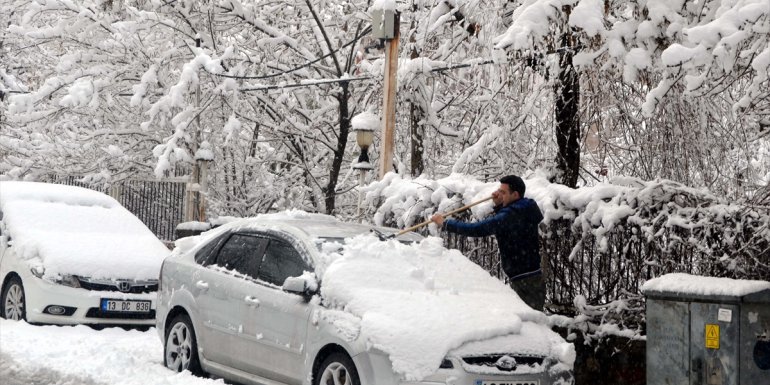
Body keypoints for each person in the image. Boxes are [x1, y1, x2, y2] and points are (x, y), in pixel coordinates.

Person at [431, 175, 545, 311]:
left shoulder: (512, 214)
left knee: (531, 321)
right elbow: (507, 224)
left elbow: (477, 229)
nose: (499, 194)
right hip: (528, 277)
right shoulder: (523, 208)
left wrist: (446, 224)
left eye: (503, 192)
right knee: (529, 319)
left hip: (526, 282)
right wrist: (499, 205)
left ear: (515, 194)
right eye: (499, 190)